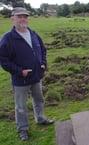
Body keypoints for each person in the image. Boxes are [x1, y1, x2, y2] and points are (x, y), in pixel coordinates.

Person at [0, 7, 53, 141]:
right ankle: (23, 129)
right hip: (20, 79)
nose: (23, 19)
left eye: (25, 16)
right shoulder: (8, 38)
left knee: (39, 99)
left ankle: (40, 118)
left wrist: (43, 64)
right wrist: (19, 71)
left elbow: (43, 49)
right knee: (21, 106)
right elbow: (3, 60)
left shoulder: (33, 34)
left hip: (36, 76)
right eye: (19, 16)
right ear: (13, 18)